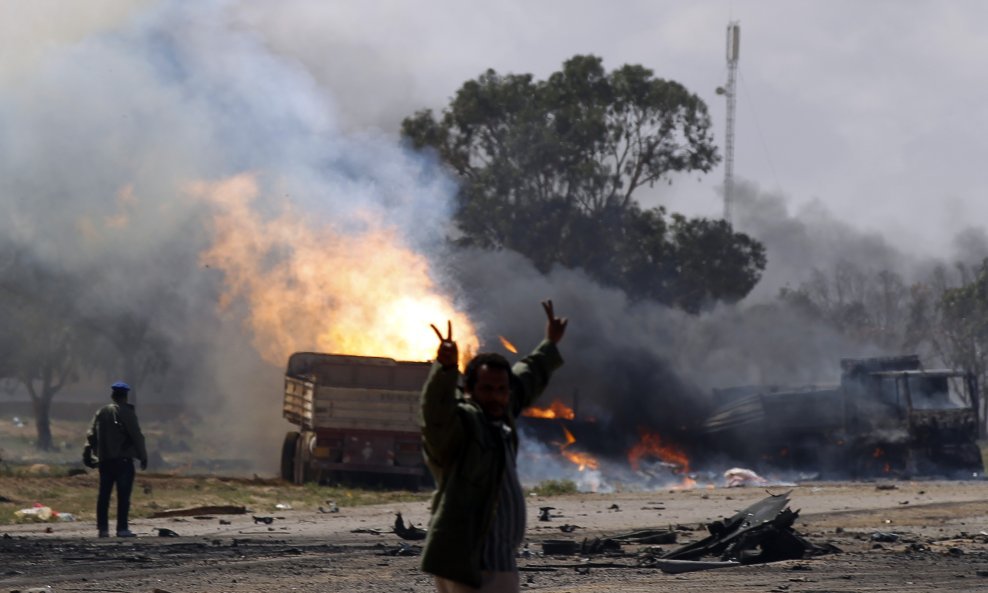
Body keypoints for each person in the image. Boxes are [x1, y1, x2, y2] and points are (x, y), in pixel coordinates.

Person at [419, 300, 568, 592]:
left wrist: (549, 343)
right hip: (476, 564)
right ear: (468, 390)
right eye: (486, 389)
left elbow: (527, 377)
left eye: (502, 389)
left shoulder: (500, 418)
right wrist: (445, 369)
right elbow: (434, 416)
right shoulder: (465, 422)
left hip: (493, 560)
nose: (496, 396)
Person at [83, 381, 148, 538]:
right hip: (123, 461)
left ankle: (103, 529)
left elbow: (90, 435)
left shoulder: (101, 412)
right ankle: (122, 529)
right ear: (125, 396)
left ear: (113, 395)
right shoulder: (127, 412)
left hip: (105, 461)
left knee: (104, 496)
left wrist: (87, 454)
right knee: (123, 497)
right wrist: (143, 456)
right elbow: (137, 436)